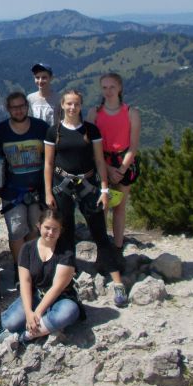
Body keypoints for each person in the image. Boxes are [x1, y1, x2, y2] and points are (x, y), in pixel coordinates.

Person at [44, 89, 128, 307]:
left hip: (89, 185)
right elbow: (49, 164)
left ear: (81, 106)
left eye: (76, 104)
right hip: (62, 186)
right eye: (69, 104)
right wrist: (47, 192)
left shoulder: (91, 130)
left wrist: (105, 189)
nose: (73, 108)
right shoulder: (54, 132)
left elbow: (99, 161)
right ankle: (67, 277)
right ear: (62, 105)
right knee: (67, 233)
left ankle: (117, 281)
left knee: (99, 232)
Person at [0, 209, 82, 346]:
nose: (50, 233)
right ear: (39, 226)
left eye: (55, 229)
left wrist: (36, 313)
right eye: (47, 228)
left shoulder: (67, 253)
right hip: (35, 294)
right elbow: (25, 281)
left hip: (60, 297)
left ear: (61, 230)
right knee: (9, 322)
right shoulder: (27, 249)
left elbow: (57, 287)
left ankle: (25, 337)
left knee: (68, 312)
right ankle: (41, 327)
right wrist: (28, 311)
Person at [0, 92, 49, 277]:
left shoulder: (41, 128)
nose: (18, 110)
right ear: (8, 109)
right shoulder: (0, 130)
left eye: (21, 106)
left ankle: (32, 267)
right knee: (16, 232)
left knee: (35, 230)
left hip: (37, 190)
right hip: (12, 191)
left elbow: (50, 158)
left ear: (27, 106)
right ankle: (20, 270)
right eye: (14, 107)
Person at [87, 73, 141, 251]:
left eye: (112, 87)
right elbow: (88, 143)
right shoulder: (94, 113)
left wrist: (121, 170)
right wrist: (108, 169)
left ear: (120, 88)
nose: (108, 91)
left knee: (119, 208)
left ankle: (117, 246)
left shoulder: (131, 113)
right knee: (102, 206)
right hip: (102, 161)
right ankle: (103, 246)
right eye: (104, 87)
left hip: (123, 162)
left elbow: (133, 147)